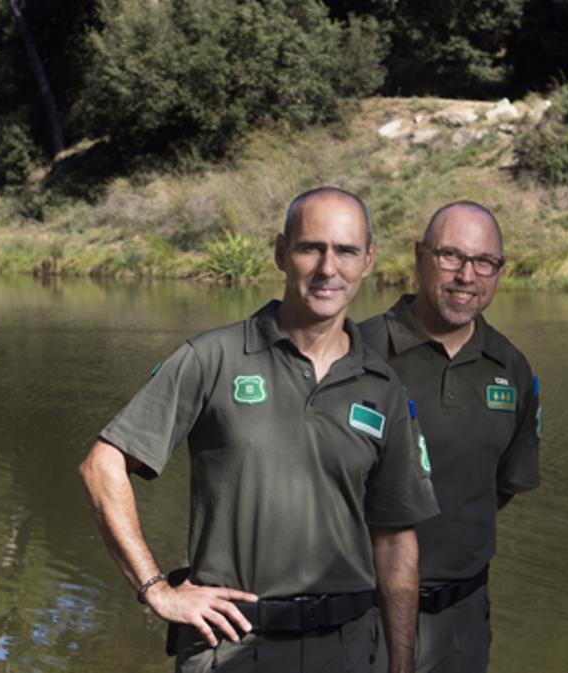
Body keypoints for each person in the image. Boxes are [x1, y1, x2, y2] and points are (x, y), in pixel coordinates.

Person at [79, 187, 439, 673]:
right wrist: (156, 589)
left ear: (369, 260)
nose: (328, 268)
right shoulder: (213, 357)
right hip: (230, 647)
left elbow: (395, 541)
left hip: (349, 651)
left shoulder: (384, 389)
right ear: (280, 252)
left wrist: (402, 664)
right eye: (311, 247)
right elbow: (103, 465)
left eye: (347, 251)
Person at [358, 202, 542, 673]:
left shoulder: (512, 368)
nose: (467, 276)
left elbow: (499, 487)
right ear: (420, 256)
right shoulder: (357, 352)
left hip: (461, 625)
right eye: (450, 257)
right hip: (359, 617)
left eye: (485, 263)